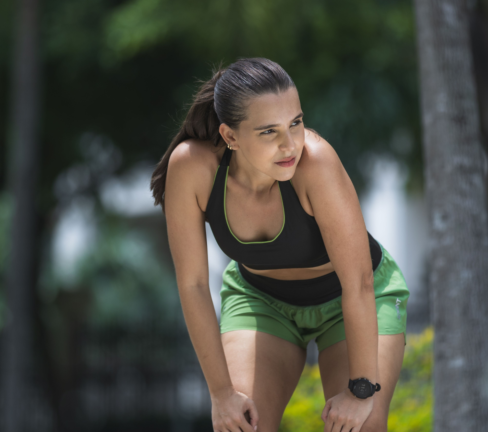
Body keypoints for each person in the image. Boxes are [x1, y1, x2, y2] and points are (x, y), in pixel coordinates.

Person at [150, 57, 410, 432]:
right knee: (242, 427)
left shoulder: (315, 163)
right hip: (261, 300)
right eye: (269, 132)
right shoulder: (191, 167)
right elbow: (192, 284)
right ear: (230, 136)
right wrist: (221, 393)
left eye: (296, 123)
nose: (290, 145)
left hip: (352, 297)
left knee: (362, 427)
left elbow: (359, 284)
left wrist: (361, 390)